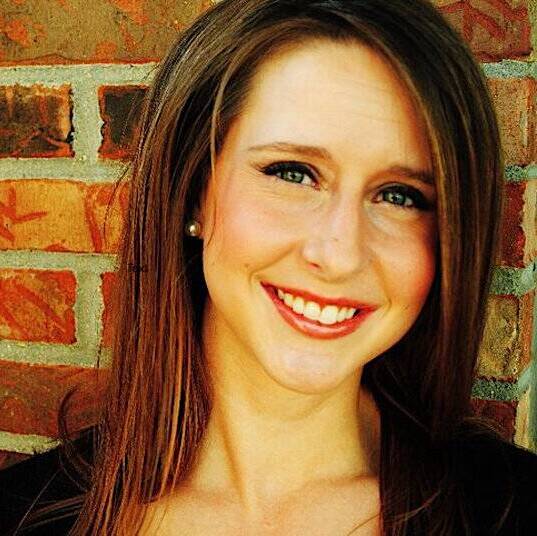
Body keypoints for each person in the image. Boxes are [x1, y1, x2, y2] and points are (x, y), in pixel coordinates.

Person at [1, 0, 537, 534]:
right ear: (193, 194)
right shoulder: (23, 514)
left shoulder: (508, 509)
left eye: (399, 196)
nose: (340, 253)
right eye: (293, 173)